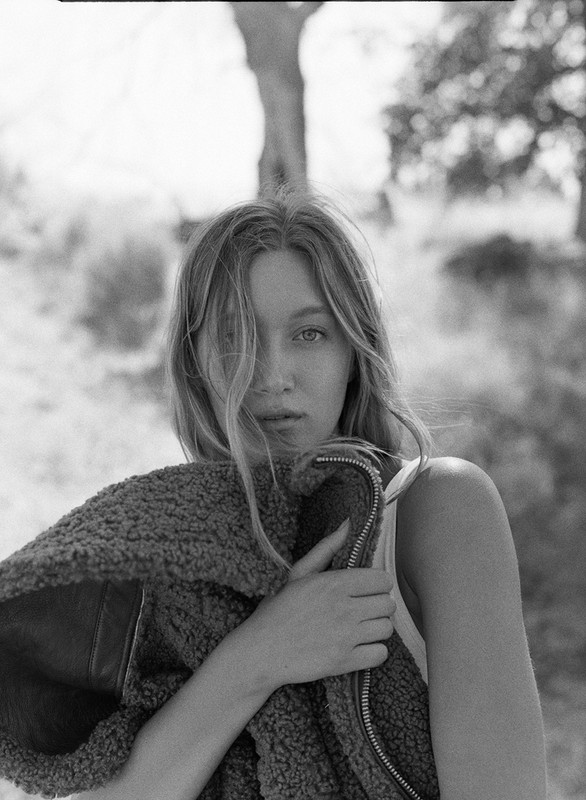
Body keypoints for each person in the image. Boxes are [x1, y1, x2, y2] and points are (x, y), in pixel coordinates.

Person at [69, 189, 546, 800]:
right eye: (235, 336)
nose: (272, 377)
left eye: (310, 333)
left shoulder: (437, 509)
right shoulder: (152, 554)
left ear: (354, 351)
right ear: (194, 362)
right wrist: (256, 658)